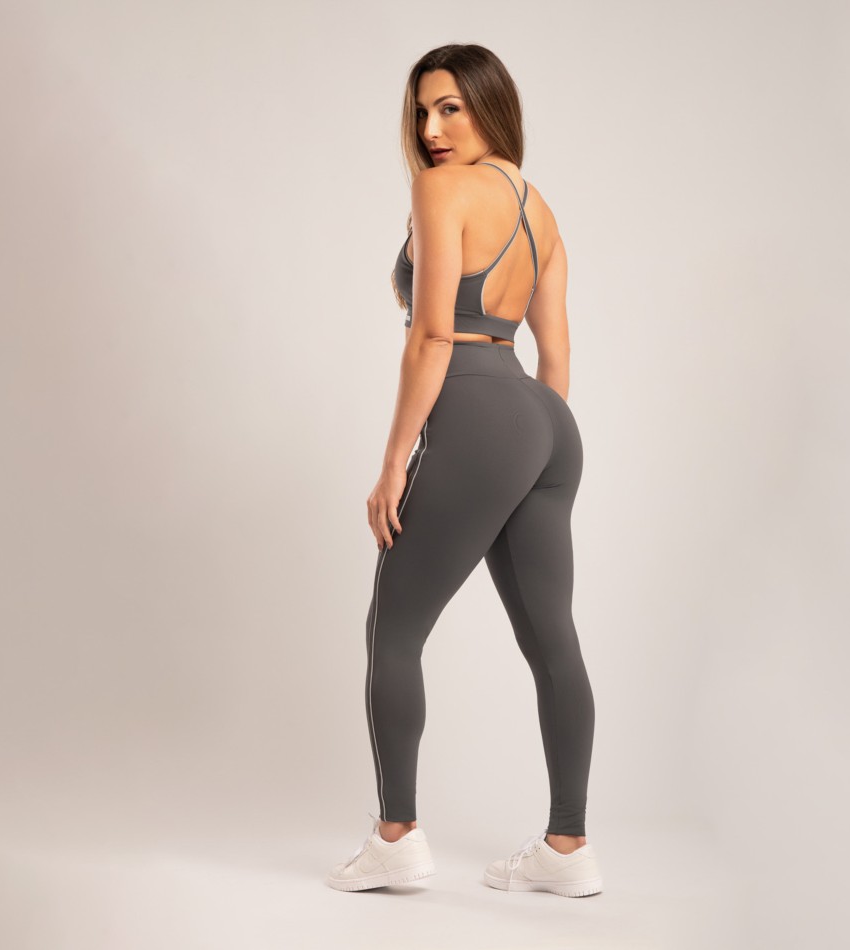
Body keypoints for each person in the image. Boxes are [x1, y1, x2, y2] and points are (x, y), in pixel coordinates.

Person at [325, 44, 602, 898]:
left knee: (393, 630)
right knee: (552, 640)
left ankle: (396, 838)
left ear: (491, 105)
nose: (432, 129)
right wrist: (527, 448)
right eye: (422, 111)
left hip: (478, 408)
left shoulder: (441, 190)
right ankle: (567, 849)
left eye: (450, 107)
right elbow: (556, 355)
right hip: (545, 423)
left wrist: (394, 462)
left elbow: (434, 333)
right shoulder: (540, 209)